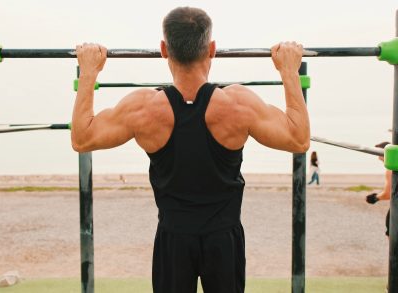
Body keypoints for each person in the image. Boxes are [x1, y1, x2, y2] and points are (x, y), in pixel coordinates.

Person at [71, 6, 310, 293]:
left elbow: (82, 138)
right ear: (211, 49)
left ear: (163, 49)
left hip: (173, 240)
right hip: (224, 240)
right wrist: (288, 71)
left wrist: (89, 73)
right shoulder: (237, 104)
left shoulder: (143, 108)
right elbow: (299, 139)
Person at [366, 141, 391, 237]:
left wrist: (375, 198)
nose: (377, 157)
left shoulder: (391, 169)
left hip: (396, 207)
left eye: (378, 153)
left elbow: (388, 194)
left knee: (391, 236)